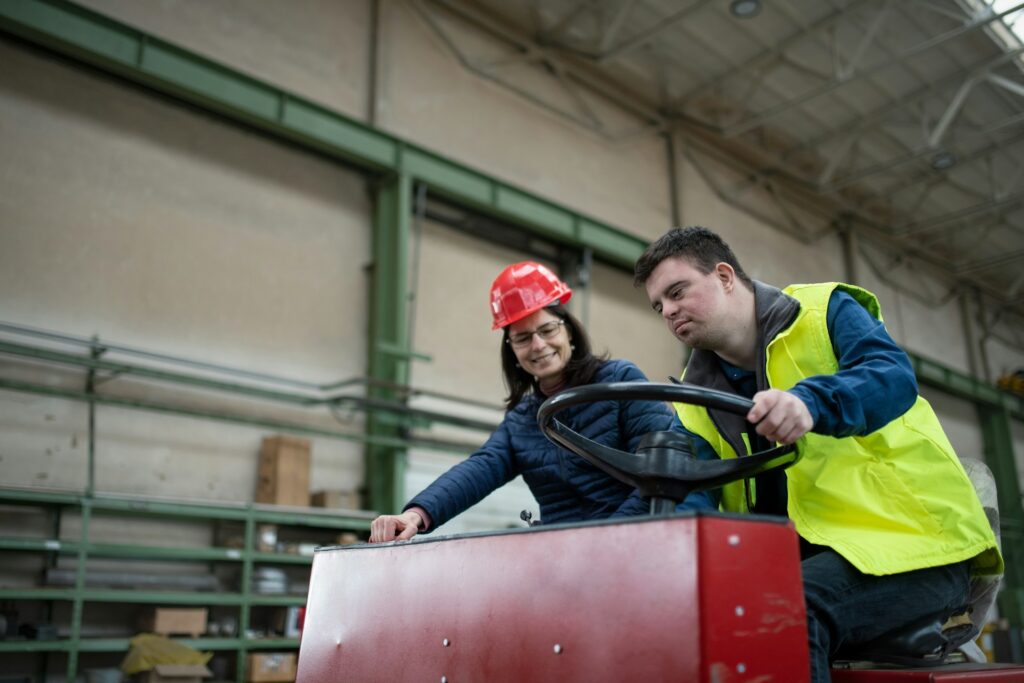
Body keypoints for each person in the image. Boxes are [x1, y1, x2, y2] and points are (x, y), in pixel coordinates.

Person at [632, 226, 1002, 683]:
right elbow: (697, 491)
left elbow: (891, 376)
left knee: (788, 607)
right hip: (806, 562)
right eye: (658, 305)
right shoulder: (695, 398)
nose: (668, 311)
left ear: (725, 276)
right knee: (690, 619)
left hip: (915, 545)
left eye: (676, 291)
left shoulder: (821, 312)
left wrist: (811, 402)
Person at [369, 261, 716, 543]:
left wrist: (605, 538)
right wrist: (416, 514)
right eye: (522, 338)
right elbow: (479, 469)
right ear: (512, 350)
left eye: (547, 330)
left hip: (636, 547)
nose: (538, 345)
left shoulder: (620, 382)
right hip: (563, 561)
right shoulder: (522, 421)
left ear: (568, 330)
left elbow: (660, 474)